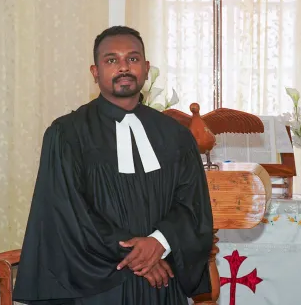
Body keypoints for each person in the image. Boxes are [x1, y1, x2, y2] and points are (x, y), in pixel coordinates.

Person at [12, 26, 214, 305]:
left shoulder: (175, 135)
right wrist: (139, 256)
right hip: (97, 284)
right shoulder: (67, 134)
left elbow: (192, 203)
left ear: (146, 68)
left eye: (132, 59)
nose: (123, 67)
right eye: (111, 60)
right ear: (95, 72)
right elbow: (68, 211)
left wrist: (160, 241)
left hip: (162, 284)